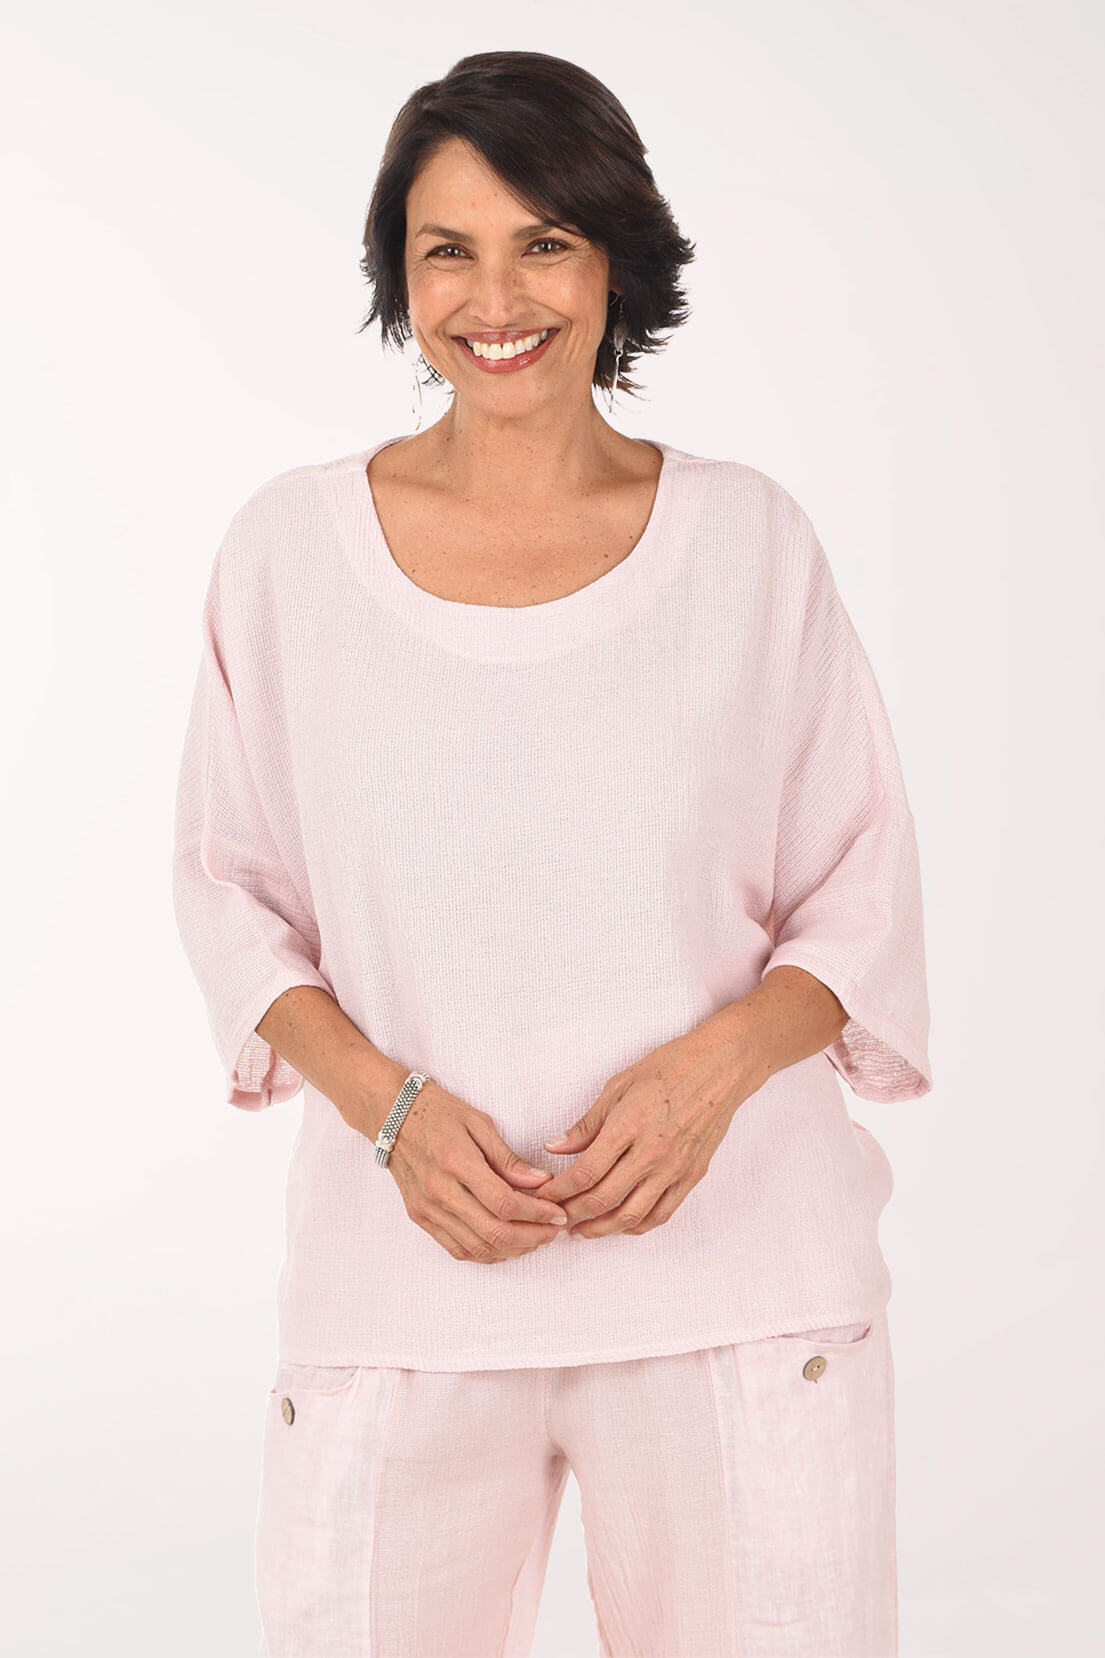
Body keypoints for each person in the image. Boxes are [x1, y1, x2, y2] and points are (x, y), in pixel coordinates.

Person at [171, 49, 932, 1658]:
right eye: (446, 249)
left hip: (741, 1288)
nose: (494, 298)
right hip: (400, 1296)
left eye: (544, 243)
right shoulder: (287, 554)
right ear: (397, 272)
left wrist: (707, 1077)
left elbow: (856, 890)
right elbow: (233, 894)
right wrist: (388, 1114)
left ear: (614, 262)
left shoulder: (748, 542)